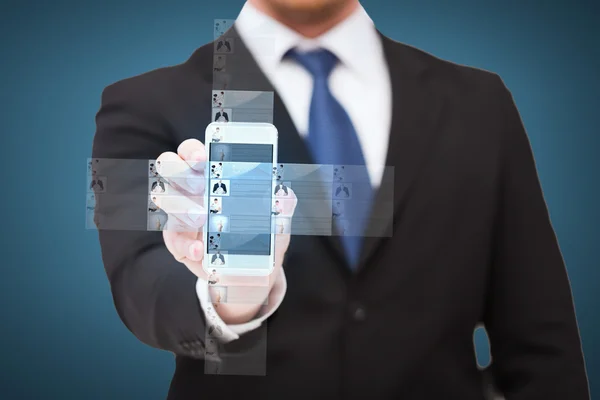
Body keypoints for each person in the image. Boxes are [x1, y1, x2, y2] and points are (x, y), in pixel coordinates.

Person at [93, 0, 590, 398]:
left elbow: (539, 334)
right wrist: (237, 297)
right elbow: (139, 284)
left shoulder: (482, 102)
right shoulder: (138, 103)